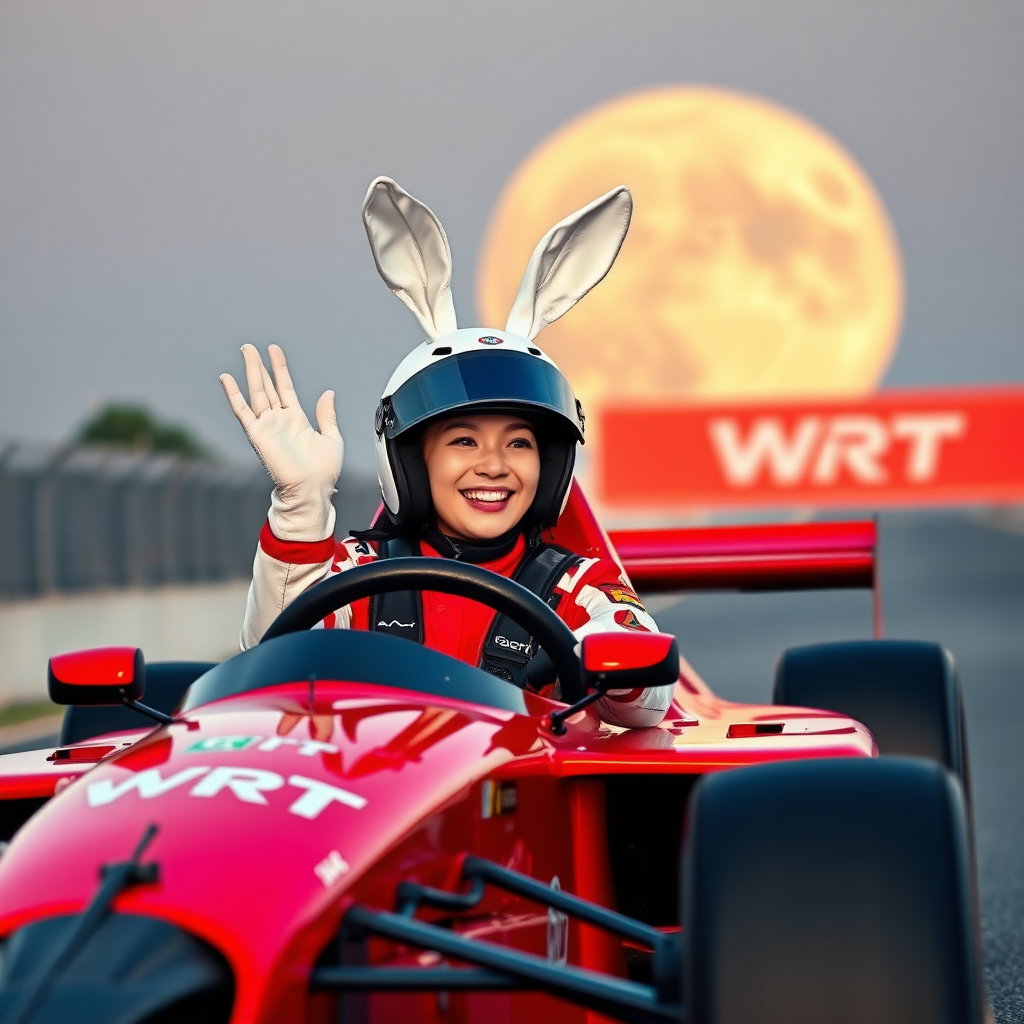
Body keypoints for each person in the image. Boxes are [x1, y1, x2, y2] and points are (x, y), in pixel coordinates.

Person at [220, 177, 672, 729]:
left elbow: (648, 698)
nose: (494, 463)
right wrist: (300, 503)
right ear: (411, 462)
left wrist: (609, 659)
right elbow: (269, 674)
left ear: (550, 470)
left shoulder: (578, 590)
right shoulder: (355, 576)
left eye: (519, 443)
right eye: (463, 440)